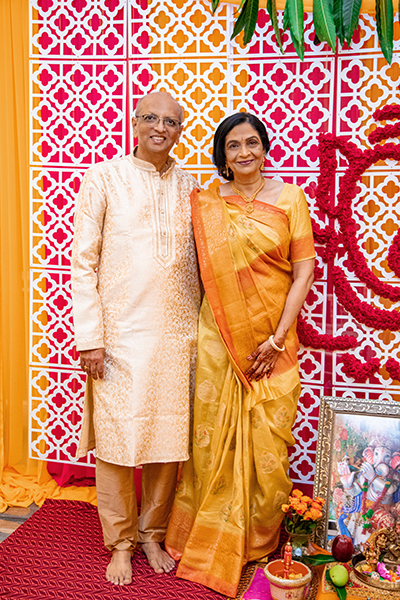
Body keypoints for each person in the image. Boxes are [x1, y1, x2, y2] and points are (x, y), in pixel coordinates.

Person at [165, 112, 315, 597]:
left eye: (252, 143)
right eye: (234, 146)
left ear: (265, 147)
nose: (244, 153)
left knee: (271, 433)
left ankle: (257, 536)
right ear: (222, 154)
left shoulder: (289, 198)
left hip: (276, 335)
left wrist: (277, 337)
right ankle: (208, 533)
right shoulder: (206, 203)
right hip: (218, 337)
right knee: (211, 437)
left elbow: (303, 270)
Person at [71, 92, 200, 586]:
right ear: (135, 120)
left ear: (180, 130)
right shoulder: (103, 178)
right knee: (118, 442)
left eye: (170, 121)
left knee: (169, 441)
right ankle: (120, 542)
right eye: (151, 117)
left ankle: (153, 531)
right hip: (120, 336)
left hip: (178, 335)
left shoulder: (191, 187)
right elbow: (83, 264)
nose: (160, 127)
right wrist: (91, 338)